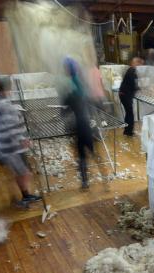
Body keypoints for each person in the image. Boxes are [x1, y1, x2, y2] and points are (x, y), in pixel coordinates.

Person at [0, 77, 42, 206]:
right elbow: (10, 129)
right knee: (25, 173)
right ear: (5, 90)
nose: (11, 90)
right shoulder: (4, 106)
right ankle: (22, 198)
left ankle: (25, 195)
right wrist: (23, 139)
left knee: (19, 172)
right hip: (12, 147)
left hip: (4, 146)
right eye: (10, 88)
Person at [62, 57, 95, 189]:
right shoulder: (77, 83)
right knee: (91, 151)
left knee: (82, 153)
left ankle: (84, 180)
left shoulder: (73, 85)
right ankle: (100, 177)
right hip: (85, 124)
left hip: (79, 125)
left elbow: (67, 106)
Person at [119, 57, 143, 137]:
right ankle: (129, 132)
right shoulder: (132, 71)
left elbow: (132, 84)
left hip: (123, 94)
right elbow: (133, 85)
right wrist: (141, 88)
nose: (140, 66)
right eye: (139, 64)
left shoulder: (131, 70)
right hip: (125, 95)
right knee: (130, 114)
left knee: (128, 113)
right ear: (135, 63)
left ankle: (127, 131)